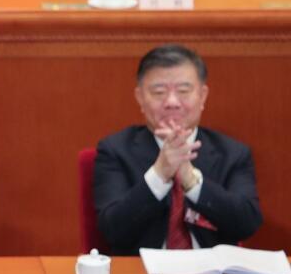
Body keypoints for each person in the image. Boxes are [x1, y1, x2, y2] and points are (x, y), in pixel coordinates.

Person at [94, 45, 261, 255]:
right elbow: (111, 230)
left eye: (183, 91)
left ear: (202, 96)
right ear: (140, 97)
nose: (172, 102)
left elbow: (247, 224)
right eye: (159, 92)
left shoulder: (233, 153)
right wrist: (160, 174)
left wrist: (191, 181)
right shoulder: (115, 151)